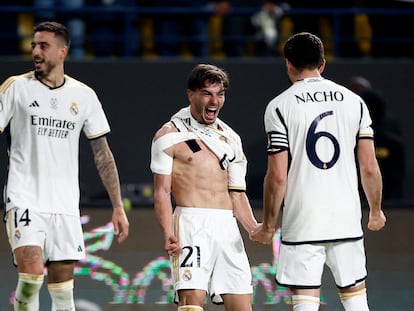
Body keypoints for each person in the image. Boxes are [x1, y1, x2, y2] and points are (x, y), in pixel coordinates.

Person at [251, 32, 386, 310]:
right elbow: (370, 167)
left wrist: (268, 225)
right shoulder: (355, 102)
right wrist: (375, 210)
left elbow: (277, 176)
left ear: (288, 64)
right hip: (345, 218)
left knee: (305, 303)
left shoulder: (279, 106)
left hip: (303, 219)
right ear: (322, 64)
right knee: (356, 302)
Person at [0, 21, 129, 310]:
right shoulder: (15, 87)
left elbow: (103, 154)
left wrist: (118, 205)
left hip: (65, 205)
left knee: (62, 290)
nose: (35, 51)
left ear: (62, 51)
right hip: (25, 199)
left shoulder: (84, 95)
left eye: (43, 46)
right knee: (31, 276)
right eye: (34, 45)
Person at [150, 63, 257, 311]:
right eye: (208, 93)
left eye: (220, 94)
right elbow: (161, 191)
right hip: (191, 224)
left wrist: (253, 227)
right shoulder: (168, 135)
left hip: (227, 227)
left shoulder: (231, 138)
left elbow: (237, 193)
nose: (215, 100)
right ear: (191, 94)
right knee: (192, 304)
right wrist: (168, 232)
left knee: (242, 305)